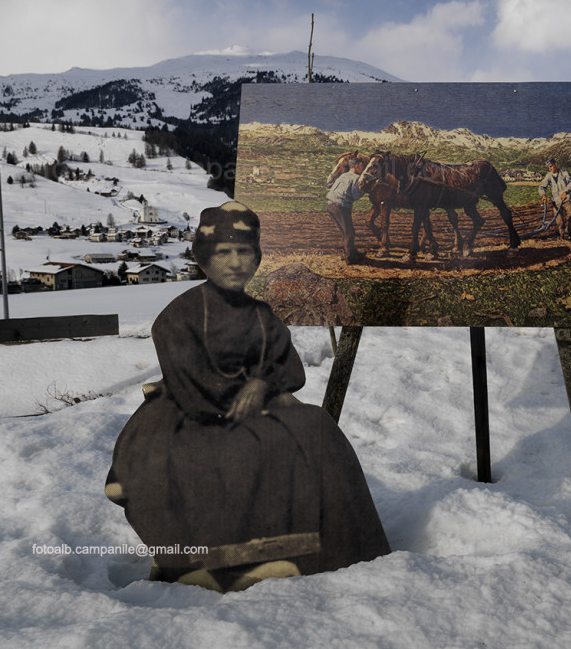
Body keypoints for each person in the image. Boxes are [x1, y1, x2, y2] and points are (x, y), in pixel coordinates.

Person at [106, 201, 390, 592]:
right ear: (204, 258)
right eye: (224, 252)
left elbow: (290, 367)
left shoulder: (260, 313)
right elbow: (190, 379)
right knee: (236, 449)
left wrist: (261, 384)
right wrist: (245, 390)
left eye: (245, 252)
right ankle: (213, 561)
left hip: (256, 406)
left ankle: (341, 549)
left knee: (317, 427)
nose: (236, 262)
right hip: (191, 414)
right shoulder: (178, 315)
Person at [327, 156, 366, 264]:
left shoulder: (344, 175)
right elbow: (355, 196)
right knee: (349, 233)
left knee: (345, 232)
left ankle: (352, 253)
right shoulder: (355, 178)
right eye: (361, 166)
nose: (362, 169)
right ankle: (350, 258)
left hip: (331, 204)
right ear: (357, 166)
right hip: (341, 206)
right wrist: (363, 189)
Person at [538, 157, 571, 240]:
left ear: (556, 165)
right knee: (559, 221)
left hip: (567, 199)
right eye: (549, 167)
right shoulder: (548, 176)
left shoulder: (564, 172)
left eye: (552, 166)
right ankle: (562, 236)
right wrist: (543, 195)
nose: (551, 168)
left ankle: (568, 232)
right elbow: (542, 186)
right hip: (556, 200)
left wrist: (565, 192)